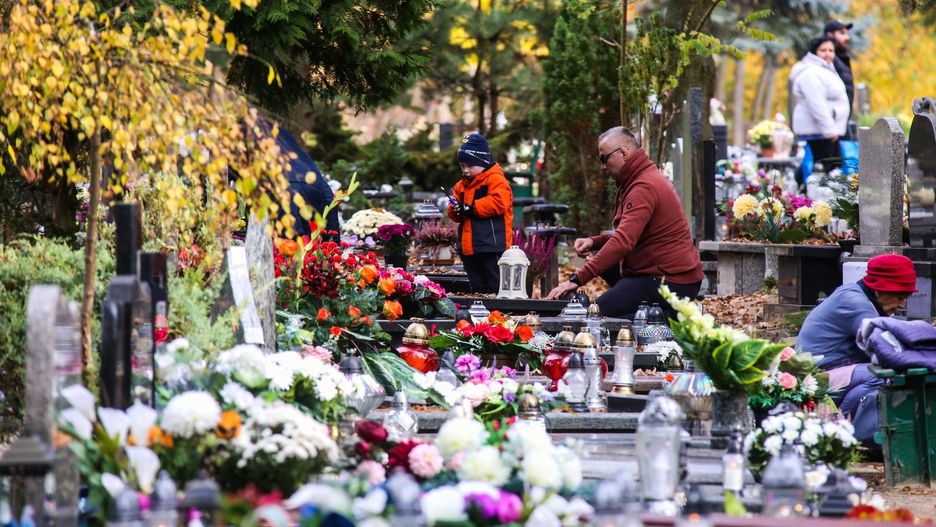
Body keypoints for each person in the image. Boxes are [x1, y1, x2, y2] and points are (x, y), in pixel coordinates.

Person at [545, 127, 703, 319]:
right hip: (657, 272)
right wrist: (594, 242)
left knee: (595, 316)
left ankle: (666, 318)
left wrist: (576, 280)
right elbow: (629, 232)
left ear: (624, 153)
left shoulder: (644, 186)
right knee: (607, 263)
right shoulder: (640, 178)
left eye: (604, 158)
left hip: (670, 280)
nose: (603, 167)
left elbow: (623, 241)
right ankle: (645, 310)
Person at [797, 254, 917, 444]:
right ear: (879, 289)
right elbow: (884, 345)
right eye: (900, 297)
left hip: (837, 370)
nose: (902, 305)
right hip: (816, 377)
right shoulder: (854, 302)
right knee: (883, 376)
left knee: (878, 377)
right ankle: (838, 427)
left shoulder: (862, 297)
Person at [447, 133, 513, 293]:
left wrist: (470, 208)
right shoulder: (461, 185)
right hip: (469, 247)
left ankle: (497, 307)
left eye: (470, 166)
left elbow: (499, 202)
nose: (465, 170)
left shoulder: (495, 180)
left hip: (491, 245)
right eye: (462, 166)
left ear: (483, 162)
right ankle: (479, 304)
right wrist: (455, 209)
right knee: (476, 285)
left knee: (495, 284)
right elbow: (454, 211)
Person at [790, 36, 849, 174]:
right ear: (814, 52)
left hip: (825, 131)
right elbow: (817, 104)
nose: (828, 54)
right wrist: (830, 131)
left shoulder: (826, 69)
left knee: (830, 169)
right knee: (827, 169)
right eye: (823, 50)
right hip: (819, 132)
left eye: (831, 50)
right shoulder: (811, 73)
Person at [824, 19, 855, 140]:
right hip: (831, 126)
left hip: (842, 123)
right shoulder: (828, 60)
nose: (847, 37)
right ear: (830, 35)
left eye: (846, 33)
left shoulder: (841, 58)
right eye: (842, 33)